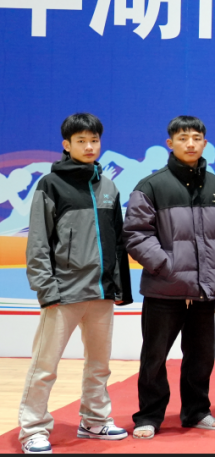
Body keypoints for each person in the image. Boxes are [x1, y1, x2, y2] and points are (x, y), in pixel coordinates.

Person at [19, 113, 133, 455]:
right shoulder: (50, 185)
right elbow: (38, 242)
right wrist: (46, 289)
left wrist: (119, 288)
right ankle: (33, 429)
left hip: (101, 292)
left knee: (99, 365)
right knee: (44, 367)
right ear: (66, 145)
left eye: (94, 140)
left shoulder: (109, 186)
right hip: (63, 292)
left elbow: (117, 241)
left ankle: (94, 420)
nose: (89, 146)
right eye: (81, 141)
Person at [125, 116, 215, 439]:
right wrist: (166, 266)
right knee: (154, 357)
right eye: (183, 137)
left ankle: (197, 411)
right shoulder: (151, 186)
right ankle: (149, 415)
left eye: (196, 138)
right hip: (164, 288)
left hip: (204, 289)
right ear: (169, 143)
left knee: (201, 356)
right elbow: (135, 234)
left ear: (205, 143)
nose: (190, 143)